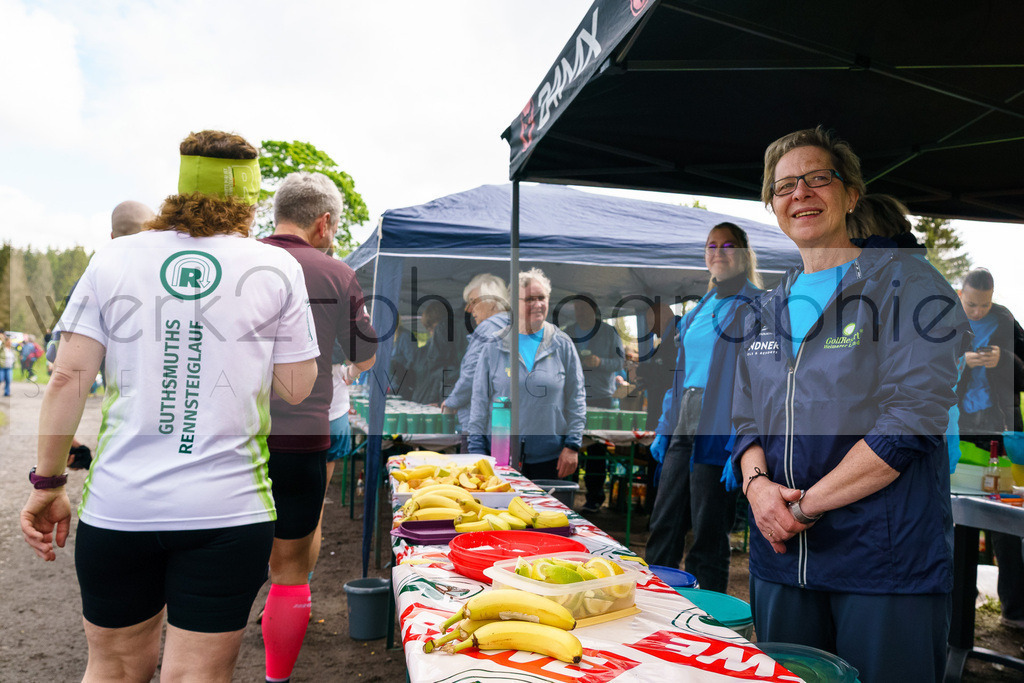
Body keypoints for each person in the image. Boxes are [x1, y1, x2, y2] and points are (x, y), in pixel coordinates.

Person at [21, 129, 319, 682]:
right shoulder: (276, 269)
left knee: (112, 666)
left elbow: (66, 379)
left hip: (121, 507)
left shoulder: (114, 257)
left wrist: (49, 484)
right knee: (197, 675)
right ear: (249, 201)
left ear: (180, 188)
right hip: (228, 510)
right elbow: (296, 388)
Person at [730, 126, 969, 682]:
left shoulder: (912, 287)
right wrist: (758, 487)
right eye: (785, 185)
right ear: (772, 204)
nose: (801, 194)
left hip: (883, 567)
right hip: (782, 560)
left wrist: (804, 507)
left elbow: (911, 421)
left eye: (818, 178)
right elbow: (744, 420)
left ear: (852, 194)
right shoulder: (762, 308)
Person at [259, 171, 377, 683]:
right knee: (289, 570)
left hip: (227, 434)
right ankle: (276, 676)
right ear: (324, 223)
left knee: (214, 563)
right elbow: (365, 354)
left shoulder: (238, 260)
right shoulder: (335, 273)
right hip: (300, 436)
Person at [644, 223, 763, 593]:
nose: (719, 252)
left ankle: (709, 620)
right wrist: (666, 427)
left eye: (728, 246)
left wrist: (738, 445)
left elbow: (759, 381)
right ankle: (654, 606)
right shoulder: (699, 309)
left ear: (743, 253)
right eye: (711, 246)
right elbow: (680, 373)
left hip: (721, 424)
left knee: (709, 533)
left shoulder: (758, 304)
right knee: (664, 523)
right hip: (685, 420)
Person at [955, 268, 1024, 630]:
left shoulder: (1006, 320)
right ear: (960, 294)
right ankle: (958, 601)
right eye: (971, 304)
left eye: (984, 305)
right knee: (957, 519)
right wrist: (961, 363)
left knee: (1004, 520)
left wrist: (1005, 362)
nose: (978, 311)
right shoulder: (946, 318)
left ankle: (1013, 610)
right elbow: (925, 370)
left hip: (999, 433)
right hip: (958, 432)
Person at [468, 268, 585, 480]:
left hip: (551, 459)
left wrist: (572, 445)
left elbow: (576, 398)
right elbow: (479, 400)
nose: (538, 304)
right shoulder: (494, 345)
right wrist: (476, 449)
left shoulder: (562, 344)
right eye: (529, 299)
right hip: (500, 458)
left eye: (542, 298)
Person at [564, 294, 624, 512]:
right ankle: (565, 495)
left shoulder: (609, 332)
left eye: (584, 308)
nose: (580, 313)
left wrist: (600, 362)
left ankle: (594, 499)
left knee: (597, 450)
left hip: (601, 397)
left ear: (595, 310)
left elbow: (620, 361)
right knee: (569, 446)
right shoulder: (568, 332)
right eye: (577, 308)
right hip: (571, 396)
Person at [442, 273, 510, 437]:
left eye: (473, 302)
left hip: (481, 423)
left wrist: (451, 403)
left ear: (492, 303)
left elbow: (471, 373)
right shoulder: (516, 325)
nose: (468, 309)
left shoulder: (487, 328)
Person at [411, 299, 462, 405]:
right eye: (429, 329)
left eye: (433, 328)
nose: (432, 333)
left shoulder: (453, 351)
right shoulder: (423, 351)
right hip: (423, 403)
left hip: (437, 404)